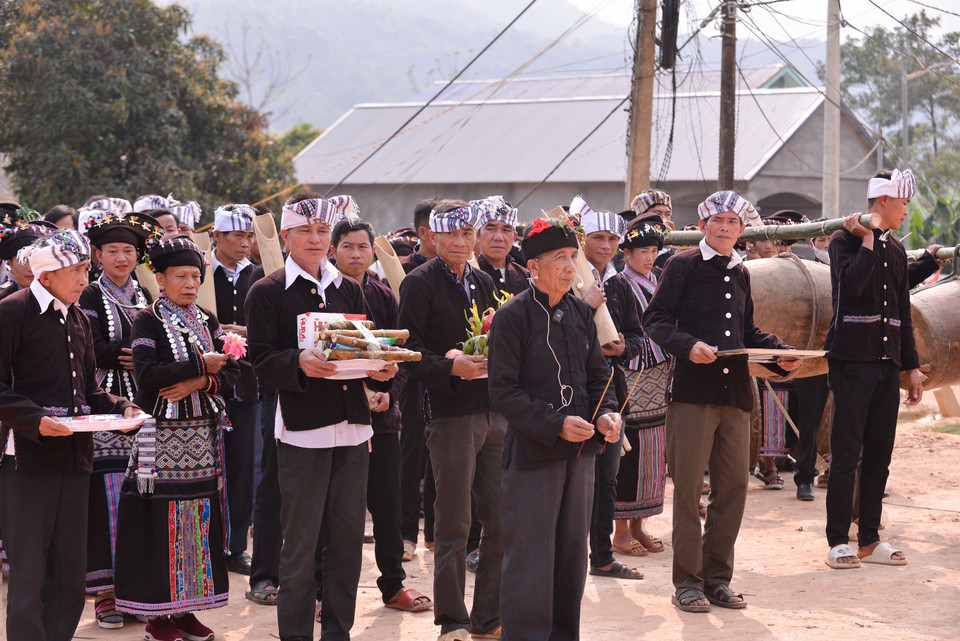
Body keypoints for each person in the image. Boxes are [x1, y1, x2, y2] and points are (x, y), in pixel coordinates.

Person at [245, 192, 397, 641]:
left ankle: (337, 632)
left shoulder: (350, 289)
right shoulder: (267, 291)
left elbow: (361, 352)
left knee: (348, 543)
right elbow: (260, 358)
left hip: (353, 427)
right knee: (301, 544)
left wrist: (381, 372)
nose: (314, 239)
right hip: (301, 430)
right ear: (286, 236)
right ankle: (295, 633)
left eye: (320, 232)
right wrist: (297, 362)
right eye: (304, 231)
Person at [643, 191, 800, 612]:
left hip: (736, 397)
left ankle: (717, 580)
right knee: (690, 492)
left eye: (734, 221)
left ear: (743, 229)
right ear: (703, 226)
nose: (726, 227)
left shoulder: (741, 272)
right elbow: (654, 320)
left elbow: (746, 332)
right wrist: (688, 345)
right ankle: (687, 583)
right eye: (718, 221)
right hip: (692, 395)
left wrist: (780, 353)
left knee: (733, 490)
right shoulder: (681, 265)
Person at [0, 228, 141, 641]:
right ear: (46, 277)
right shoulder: (12, 313)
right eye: (76, 271)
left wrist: (122, 408)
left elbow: (89, 393)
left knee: (68, 567)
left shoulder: (76, 315)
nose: (84, 279)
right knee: (29, 569)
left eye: (85, 269)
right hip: (27, 459)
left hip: (77, 456)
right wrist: (34, 419)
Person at [488, 217, 621, 641]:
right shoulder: (512, 317)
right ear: (533, 267)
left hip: (580, 456)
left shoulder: (581, 313)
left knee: (570, 561)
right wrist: (556, 424)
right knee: (530, 561)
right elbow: (503, 392)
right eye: (559, 259)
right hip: (533, 455)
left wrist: (606, 415)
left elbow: (599, 376)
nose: (569, 267)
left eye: (572, 257)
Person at [113, 236, 239, 641]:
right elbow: (147, 376)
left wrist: (199, 381)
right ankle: (156, 618)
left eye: (195, 277)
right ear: (160, 277)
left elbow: (234, 374)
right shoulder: (146, 320)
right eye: (180, 276)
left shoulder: (208, 319)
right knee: (159, 523)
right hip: (161, 442)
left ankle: (185, 612)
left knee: (196, 522)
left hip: (201, 441)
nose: (189, 284)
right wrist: (201, 364)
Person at [398, 200, 503, 641]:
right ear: (433, 238)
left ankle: (489, 617)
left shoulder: (483, 281)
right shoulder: (418, 283)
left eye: (467, 235)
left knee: (499, 518)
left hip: (495, 412)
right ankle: (453, 620)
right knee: (454, 521)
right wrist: (449, 367)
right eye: (451, 236)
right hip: (449, 413)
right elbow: (409, 351)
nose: (461, 243)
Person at [328, 216, 433, 613]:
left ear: (373, 250)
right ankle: (327, 591)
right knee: (336, 511)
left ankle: (393, 585)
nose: (356, 254)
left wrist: (388, 392)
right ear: (332, 250)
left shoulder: (386, 296)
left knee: (387, 506)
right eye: (347, 246)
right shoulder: (324, 296)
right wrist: (360, 390)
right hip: (337, 420)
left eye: (363, 246)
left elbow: (401, 356)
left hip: (383, 421)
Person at [823, 169, 924, 570]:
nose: (906, 211)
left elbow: (903, 314)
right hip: (851, 362)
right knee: (846, 452)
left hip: (886, 366)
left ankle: (869, 538)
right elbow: (853, 286)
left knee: (880, 454)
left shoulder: (897, 250)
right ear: (883, 201)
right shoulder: (843, 241)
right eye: (903, 203)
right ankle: (837, 540)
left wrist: (911, 367)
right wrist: (866, 241)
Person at [78, 211, 162, 628]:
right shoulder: (91, 296)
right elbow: (89, 347)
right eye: (112, 250)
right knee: (108, 497)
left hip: (144, 405)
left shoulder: (145, 294)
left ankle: (137, 591)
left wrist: (139, 355)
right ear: (97, 255)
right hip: (106, 409)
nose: (122, 258)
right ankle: (107, 593)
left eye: (129, 250)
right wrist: (131, 351)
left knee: (142, 496)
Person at [569, 197, 645, 578]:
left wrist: (623, 347)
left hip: (612, 390)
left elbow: (638, 337)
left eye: (612, 239)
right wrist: (585, 307)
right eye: (597, 237)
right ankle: (563, 556)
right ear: (582, 239)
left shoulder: (620, 285)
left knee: (607, 476)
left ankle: (601, 555)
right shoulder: (566, 280)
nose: (605, 246)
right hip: (570, 392)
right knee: (569, 476)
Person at [612, 217, 670, 557]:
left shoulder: (658, 279)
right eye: (642, 251)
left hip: (660, 374)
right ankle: (620, 531)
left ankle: (639, 524)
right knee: (630, 449)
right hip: (633, 373)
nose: (649, 257)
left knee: (653, 449)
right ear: (627, 252)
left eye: (653, 251)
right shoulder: (620, 284)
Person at [209, 203, 261, 576]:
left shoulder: (258, 277)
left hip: (245, 384)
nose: (245, 244)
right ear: (216, 237)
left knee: (242, 467)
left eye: (248, 236)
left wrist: (243, 333)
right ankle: (207, 543)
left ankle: (236, 545)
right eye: (236, 236)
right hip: (205, 385)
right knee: (207, 468)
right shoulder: (198, 273)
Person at [399, 197, 441, 561]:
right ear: (424, 232)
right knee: (410, 454)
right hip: (413, 375)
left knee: (442, 459)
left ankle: (435, 533)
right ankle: (406, 533)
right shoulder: (406, 272)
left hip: (449, 376)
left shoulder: (464, 273)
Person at [471, 195, 529, 296]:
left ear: (514, 237)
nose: (499, 237)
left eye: (506, 230)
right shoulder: (469, 276)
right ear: (477, 235)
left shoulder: (525, 277)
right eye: (491, 229)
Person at [0, 215, 58, 301]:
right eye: (23, 260)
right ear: (10, 263)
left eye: (38, 260)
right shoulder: (3, 303)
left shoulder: (65, 300)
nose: (31, 268)